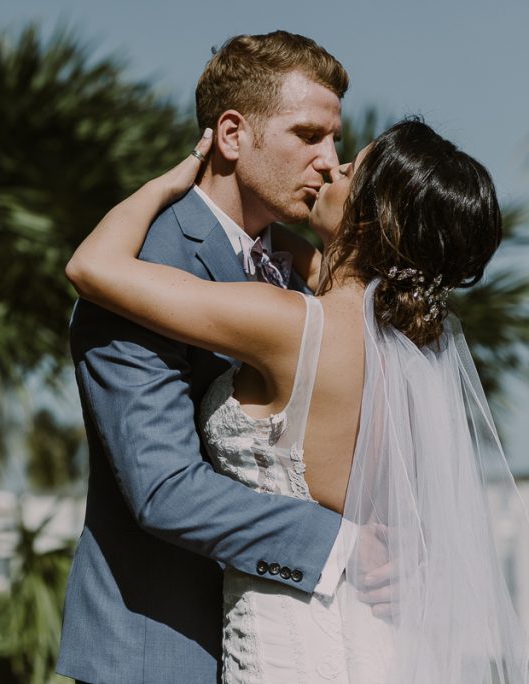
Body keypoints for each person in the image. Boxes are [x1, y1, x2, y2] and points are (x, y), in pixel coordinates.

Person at [66, 117, 529, 682]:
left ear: (370, 215)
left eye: (351, 168)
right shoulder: (409, 349)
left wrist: (172, 182)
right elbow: (285, 252)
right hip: (375, 637)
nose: (331, 166)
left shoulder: (288, 324)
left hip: (294, 644)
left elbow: (92, 267)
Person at [56, 31, 355, 684]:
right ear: (230, 135)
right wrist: (340, 545)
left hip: (293, 643)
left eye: (335, 140)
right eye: (308, 135)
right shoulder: (140, 267)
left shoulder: (306, 274)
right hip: (160, 651)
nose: (331, 162)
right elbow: (162, 490)